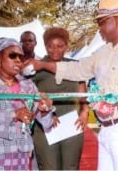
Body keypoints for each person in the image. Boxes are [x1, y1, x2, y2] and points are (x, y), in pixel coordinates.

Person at [25, 0, 118, 171]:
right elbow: (77, 69)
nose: (99, 28)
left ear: (116, 20)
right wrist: (42, 64)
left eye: (101, 22)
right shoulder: (103, 52)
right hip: (106, 129)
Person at [0, 37, 54, 170]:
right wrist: (13, 114)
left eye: (21, 57)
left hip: (22, 153)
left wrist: (45, 110)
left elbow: (46, 123)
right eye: (12, 55)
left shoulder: (28, 85)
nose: (18, 60)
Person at [31, 27, 89, 170]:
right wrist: (46, 115)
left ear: (66, 46)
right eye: (50, 46)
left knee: (71, 167)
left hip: (72, 124)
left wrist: (84, 112)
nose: (54, 50)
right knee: (49, 167)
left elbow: (83, 93)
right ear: (45, 46)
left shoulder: (74, 66)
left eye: (60, 46)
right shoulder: (37, 67)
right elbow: (30, 96)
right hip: (46, 126)